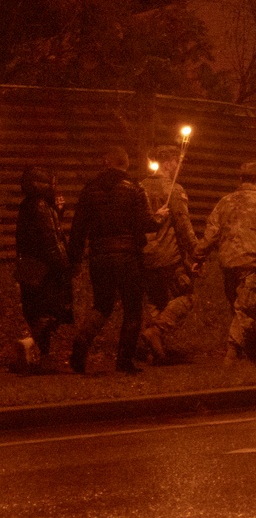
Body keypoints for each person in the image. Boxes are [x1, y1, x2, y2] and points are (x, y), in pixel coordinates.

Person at [68, 146, 163, 374]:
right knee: (132, 309)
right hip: (127, 256)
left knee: (102, 305)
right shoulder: (135, 188)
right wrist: (159, 218)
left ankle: (81, 344)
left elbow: (78, 227)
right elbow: (145, 224)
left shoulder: (89, 189)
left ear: (106, 163)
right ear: (125, 164)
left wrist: (75, 259)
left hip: (99, 256)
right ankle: (124, 360)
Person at [193, 161, 256, 363]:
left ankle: (249, 351)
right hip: (252, 264)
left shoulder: (224, 202)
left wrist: (198, 257)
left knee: (238, 307)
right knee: (245, 311)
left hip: (228, 263)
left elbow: (211, 235)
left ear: (240, 179)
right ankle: (232, 352)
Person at [139, 145, 198, 365]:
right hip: (168, 257)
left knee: (156, 302)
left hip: (145, 257)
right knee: (186, 296)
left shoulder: (139, 187)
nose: (178, 168)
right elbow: (183, 227)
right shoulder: (173, 189)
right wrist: (197, 254)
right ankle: (156, 331)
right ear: (166, 164)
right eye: (176, 163)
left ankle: (155, 352)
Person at [13, 166, 74, 374]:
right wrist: (64, 265)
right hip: (46, 269)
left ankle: (43, 360)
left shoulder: (28, 205)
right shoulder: (41, 207)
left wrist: (58, 212)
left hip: (30, 268)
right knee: (54, 311)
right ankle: (30, 343)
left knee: (38, 313)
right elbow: (50, 240)